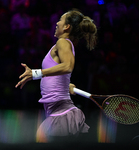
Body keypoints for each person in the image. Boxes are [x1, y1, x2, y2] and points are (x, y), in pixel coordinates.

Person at [15, 9, 97, 143]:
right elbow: (61, 70)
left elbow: (67, 66)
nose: (57, 23)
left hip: (62, 115)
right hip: (58, 113)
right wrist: (66, 85)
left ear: (67, 27)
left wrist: (36, 73)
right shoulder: (64, 45)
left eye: (60, 20)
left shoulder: (62, 42)